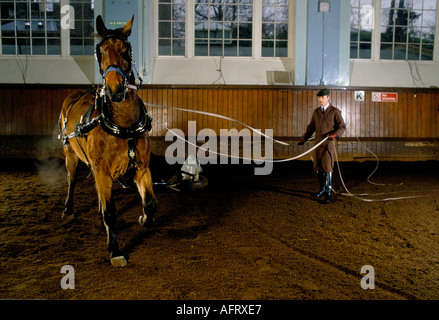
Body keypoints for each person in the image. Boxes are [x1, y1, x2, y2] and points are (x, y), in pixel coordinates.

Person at [298, 89, 346, 203]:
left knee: (328, 168)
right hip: (317, 144)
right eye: (319, 98)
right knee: (319, 167)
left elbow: (342, 126)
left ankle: (328, 193)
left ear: (328, 98)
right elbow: (311, 127)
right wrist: (304, 137)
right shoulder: (316, 112)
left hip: (328, 145)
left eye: (322, 97)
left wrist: (335, 134)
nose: (320, 100)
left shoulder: (335, 111)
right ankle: (322, 189)